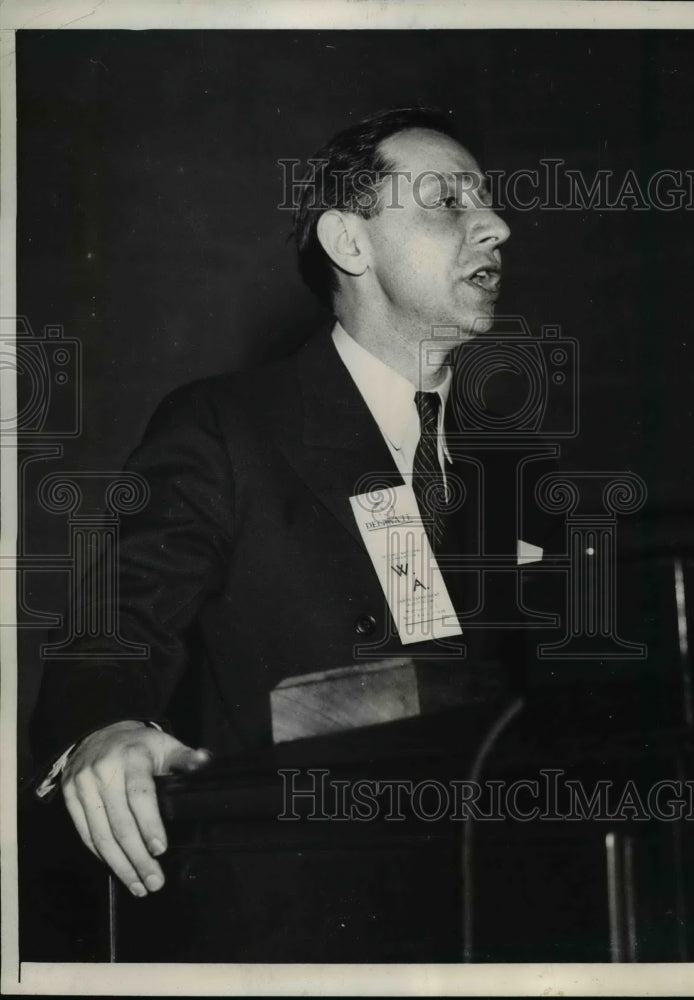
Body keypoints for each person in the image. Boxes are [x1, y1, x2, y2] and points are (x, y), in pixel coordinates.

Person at [31, 107, 523, 906]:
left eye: (488, 203)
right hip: (300, 900)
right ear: (349, 243)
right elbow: (113, 630)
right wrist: (106, 730)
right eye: (447, 201)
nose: (495, 226)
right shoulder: (225, 429)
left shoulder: (515, 466)